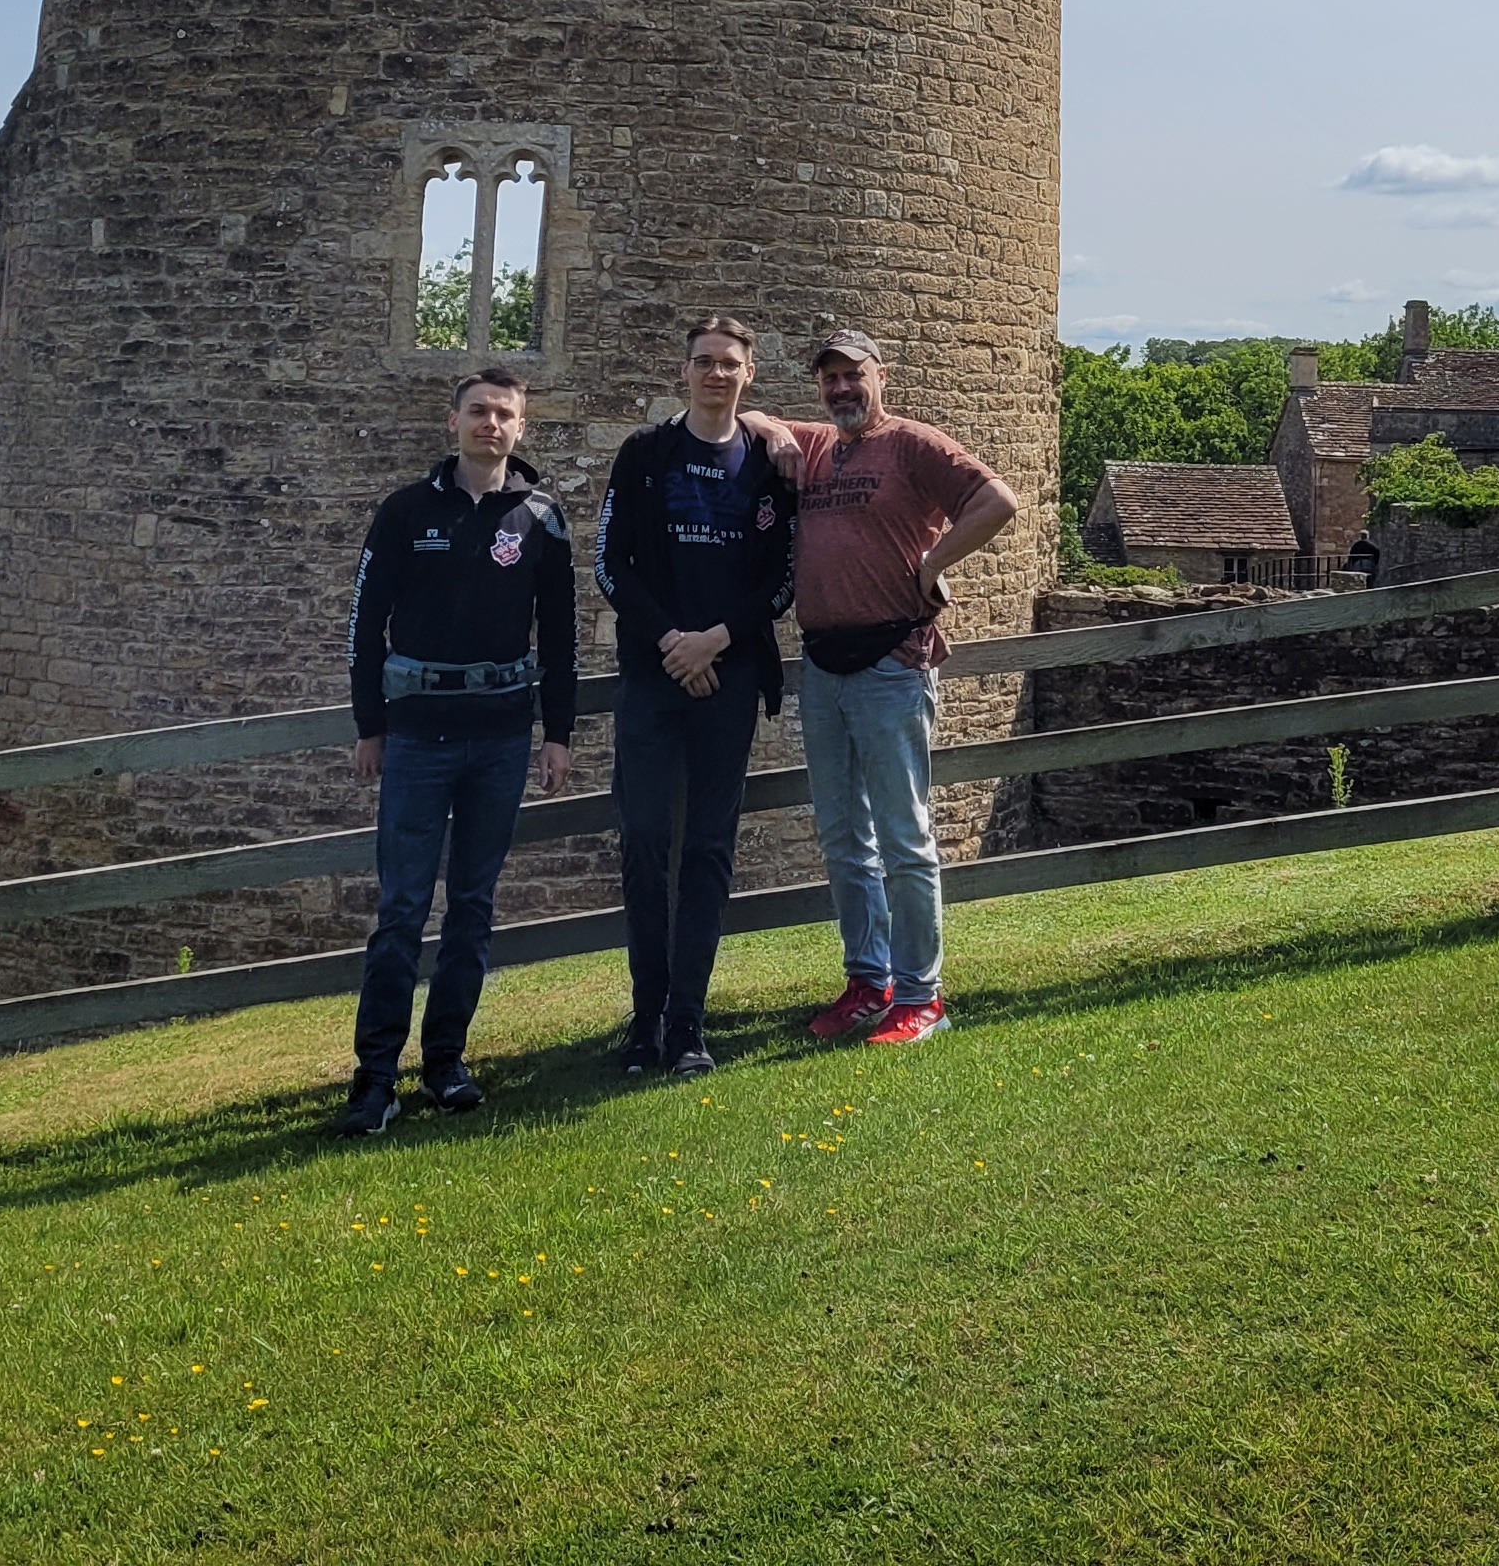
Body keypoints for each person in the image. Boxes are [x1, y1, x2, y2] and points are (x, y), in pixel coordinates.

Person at [335, 367, 575, 1134]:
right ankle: (375, 1079)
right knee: (401, 910)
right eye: (479, 412)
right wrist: (369, 726)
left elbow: (563, 639)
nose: (491, 425)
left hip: (502, 739)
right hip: (416, 740)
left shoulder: (542, 516)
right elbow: (364, 624)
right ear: (453, 421)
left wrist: (558, 734)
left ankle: (446, 1064)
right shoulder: (405, 511)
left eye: (505, 414)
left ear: (521, 427)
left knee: (472, 909)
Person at [766, 326, 1020, 1046]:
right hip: (823, 666)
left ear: (883, 377)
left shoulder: (912, 443)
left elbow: (997, 501)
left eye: (854, 375)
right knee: (844, 836)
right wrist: (766, 424)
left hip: (891, 664)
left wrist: (933, 564)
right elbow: (748, 418)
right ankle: (867, 979)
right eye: (830, 378)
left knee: (904, 837)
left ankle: (920, 995)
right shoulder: (816, 445)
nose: (842, 388)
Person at [590, 314, 800, 1074]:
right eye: (704, 361)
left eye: (730, 363)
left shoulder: (769, 466)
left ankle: (689, 1026)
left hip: (730, 678)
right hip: (653, 679)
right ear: (684, 371)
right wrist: (673, 643)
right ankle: (645, 1022)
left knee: (709, 849)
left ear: (749, 374)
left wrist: (714, 639)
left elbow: (781, 578)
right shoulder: (645, 454)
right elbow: (611, 565)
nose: (716, 373)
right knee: (645, 842)